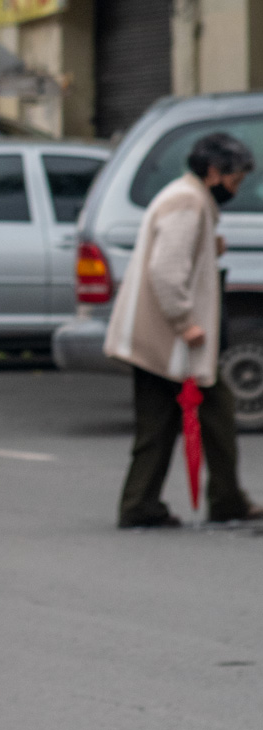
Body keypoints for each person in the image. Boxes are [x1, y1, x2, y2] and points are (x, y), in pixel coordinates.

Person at [105, 131, 262, 527]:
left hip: (162, 339)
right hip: (170, 339)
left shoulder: (187, 197)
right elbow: (166, 269)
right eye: (235, 179)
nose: (236, 187)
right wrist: (185, 322)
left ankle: (144, 504)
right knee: (204, 416)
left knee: (163, 425)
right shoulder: (188, 201)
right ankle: (218, 502)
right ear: (213, 172)